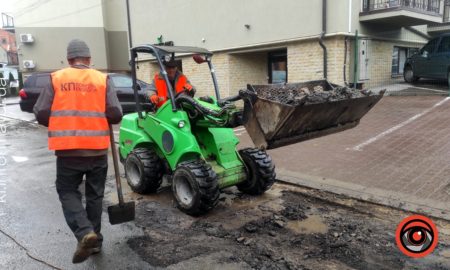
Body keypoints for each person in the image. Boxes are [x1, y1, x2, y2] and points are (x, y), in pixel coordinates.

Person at [33, 39, 123, 264]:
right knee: (95, 195)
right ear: (89, 59)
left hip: (68, 151)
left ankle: (84, 232)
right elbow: (116, 113)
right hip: (97, 151)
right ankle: (96, 241)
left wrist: (58, 122)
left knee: (67, 190)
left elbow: (41, 112)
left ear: (69, 59)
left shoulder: (56, 78)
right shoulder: (102, 79)